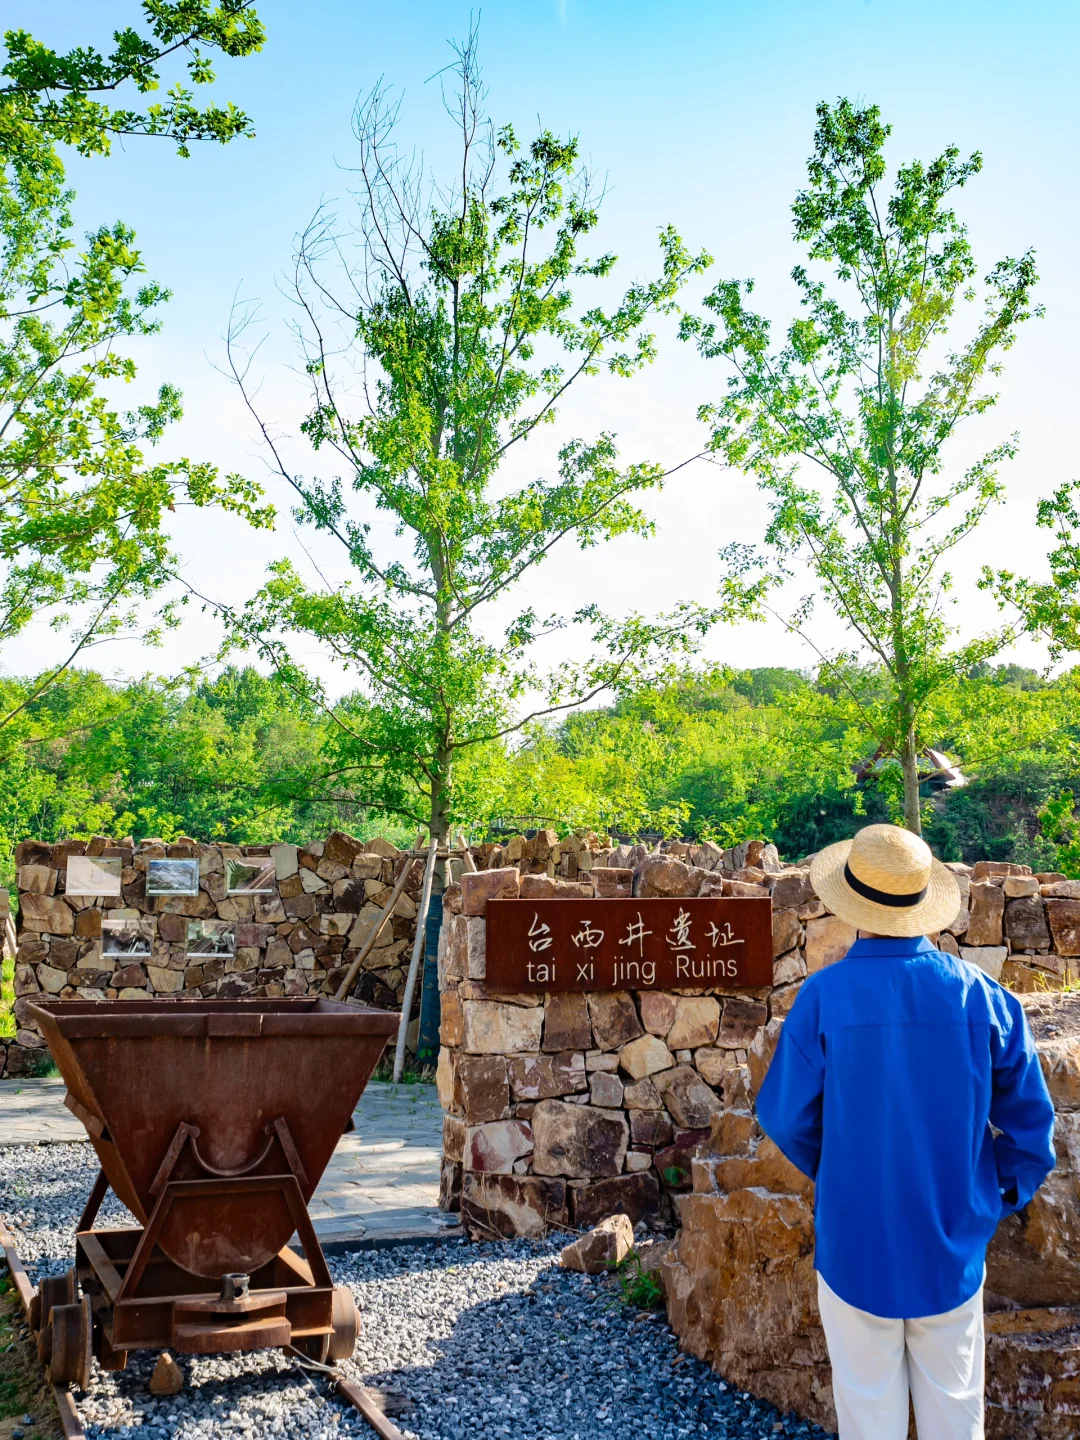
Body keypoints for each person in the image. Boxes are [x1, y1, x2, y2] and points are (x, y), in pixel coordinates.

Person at [755, 823, 1056, 1440]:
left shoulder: (823, 998)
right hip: (951, 1242)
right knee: (955, 1416)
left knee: (869, 1418)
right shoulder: (980, 997)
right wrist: (990, 1197)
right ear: (923, 904)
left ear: (851, 905)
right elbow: (1032, 1130)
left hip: (855, 1240)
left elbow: (786, 1117)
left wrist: (841, 1170)